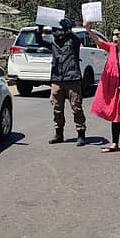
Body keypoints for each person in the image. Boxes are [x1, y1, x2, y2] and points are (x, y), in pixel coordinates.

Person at [84, 23, 120, 156]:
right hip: (112, 89)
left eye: (118, 34)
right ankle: (115, 143)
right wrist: (88, 29)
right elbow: (97, 41)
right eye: (114, 34)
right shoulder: (111, 48)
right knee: (115, 116)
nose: (115, 37)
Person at [36, 17, 87, 146]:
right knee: (57, 108)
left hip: (72, 78)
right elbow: (39, 41)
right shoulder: (53, 43)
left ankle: (81, 134)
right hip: (57, 79)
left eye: (59, 30)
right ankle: (59, 133)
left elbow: (75, 37)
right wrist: (40, 28)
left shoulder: (73, 41)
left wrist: (68, 27)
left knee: (76, 107)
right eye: (55, 30)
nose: (57, 33)